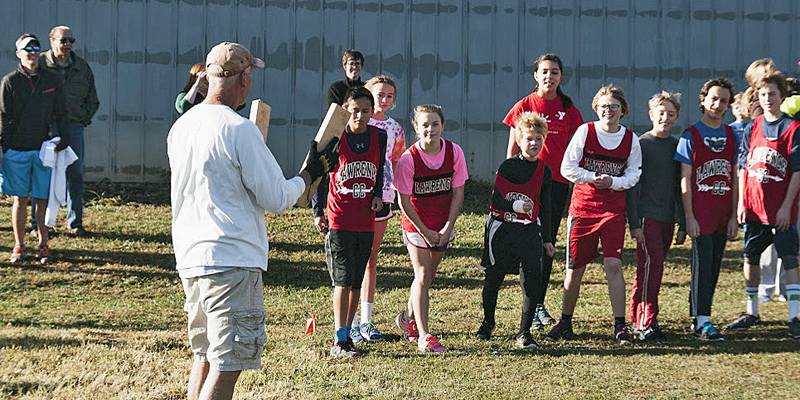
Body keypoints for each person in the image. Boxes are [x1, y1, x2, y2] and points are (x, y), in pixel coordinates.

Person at [168, 42, 338, 399]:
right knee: (227, 364)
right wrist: (310, 174)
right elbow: (276, 197)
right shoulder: (239, 130)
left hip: (191, 259)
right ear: (244, 78)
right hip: (231, 259)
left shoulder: (181, 127)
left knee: (204, 355)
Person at [546, 84, 641, 345]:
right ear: (596, 109)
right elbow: (567, 167)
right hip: (583, 208)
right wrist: (592, 177)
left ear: (623, 110)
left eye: (614, 106)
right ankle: (565, 321)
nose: (608, 111)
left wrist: (613, 182)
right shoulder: (584, 131)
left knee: (613, 265)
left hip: (613, 211)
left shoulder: (631, 140)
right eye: (603, 106)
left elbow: (634, 174)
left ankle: (620, 325)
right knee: (575, 268)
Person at [503, 53, 583, 329]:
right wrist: (510, 181)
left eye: (555, 72)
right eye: (545, 72)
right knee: (527, 243)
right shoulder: (525, 105)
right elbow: (512, 148)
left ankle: (538, 304)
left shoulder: (568, 108)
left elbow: (577, 147)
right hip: (527, 185)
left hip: (556, 185)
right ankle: (528, 302)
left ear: (562, 77)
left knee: (547, 243)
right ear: (536, 75)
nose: (550, 76)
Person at [727, 71, 800, 339]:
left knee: (790, 259)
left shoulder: (793, 129)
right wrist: (741, 202)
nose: (767, 98)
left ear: (782, 97)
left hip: (780, 210)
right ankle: (752, 311)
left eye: (772, 94)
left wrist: (786, 206)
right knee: (751, 257)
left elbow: (797, 173)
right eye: (763, 94)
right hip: (755, 208)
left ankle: (794, 316)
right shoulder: (752, 127)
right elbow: (743, 167)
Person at [477, 111, 555, 349]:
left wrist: (548, 239)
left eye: (538, 139)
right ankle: (488, 322)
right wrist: (517, 205)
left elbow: (547, 208)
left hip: (528, 231)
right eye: (529, 139)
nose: (534, 144)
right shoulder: (508, 166)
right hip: (502, 230)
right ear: (519, 140)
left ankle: (524, 332)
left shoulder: (545, 171)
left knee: (532, 280)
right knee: (493, 278)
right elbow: (497, 200)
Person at [318, 86, 386, 357]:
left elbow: (379, 169)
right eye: (355, 110)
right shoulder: (335, 137)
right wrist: (317, 212)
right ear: (346, 110)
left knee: (356, 281)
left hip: (365, 219)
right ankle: (339, 339)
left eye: (365, 111)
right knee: (343, 281)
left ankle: (348, 335)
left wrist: (379, 195)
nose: (360, 116)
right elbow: (321, 175)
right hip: (339, 217)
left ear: (372, 112)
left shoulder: (379, 137)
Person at [394, 104, 467, 352]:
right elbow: (403, 201)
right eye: (425, 124)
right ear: (416, 128)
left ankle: (406, 317)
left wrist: (448, 227)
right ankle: (424, 335)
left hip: (442, 224)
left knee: (425, 278)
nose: (430, 129)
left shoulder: (454, 152)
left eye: (435, 124)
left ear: (443, 126)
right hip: (416, 224)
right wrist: (424, 231)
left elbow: (458, 193)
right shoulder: (408, 159)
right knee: (423, 274)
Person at [673, 78, 738, 341]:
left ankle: (699, 315)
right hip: (700, 212)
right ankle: (702, 320)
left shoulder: (732, 135)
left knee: (714, 265)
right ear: (703, 100)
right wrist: (688, 217)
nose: (718, 104)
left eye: (723, 100)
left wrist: (734, 215)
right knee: (702, 264)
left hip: (723, 212)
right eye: (713, 98)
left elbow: (734, 177)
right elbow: (684, 179)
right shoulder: (691, 134)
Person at [0, 33, 70, 264]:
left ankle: (43, 245)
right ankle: (19, 246)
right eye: (27, 48)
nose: (32, 52)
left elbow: (61, 112)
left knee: (42, 199)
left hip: (44, 151)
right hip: (17, 151)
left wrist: (63, 137)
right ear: (18, 53)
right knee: (20, 199)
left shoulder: (52, 80)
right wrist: (6, 147)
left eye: (36, 48)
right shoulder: (10, 81)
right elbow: (3, 117)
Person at [626, 91, 686, 341]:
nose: (665, 117)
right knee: (654, 267)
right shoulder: (641, 144)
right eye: (661, 113)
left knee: (648, 269)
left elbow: (679, 187)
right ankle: (646, 321)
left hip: (667, 218)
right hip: (646, 217)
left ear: (677, 117)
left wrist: (682, 222)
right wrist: (633, 221)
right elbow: (633, 186)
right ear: (651, 114)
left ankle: (636, 313)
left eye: (671, 114)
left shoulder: (677, 146)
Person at [348, 75, 405, 343]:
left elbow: (395, 160)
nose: (383, 100)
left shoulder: (395, 128)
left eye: (389, 96)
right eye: (379, 95)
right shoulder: (358, 120)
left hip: (382, 195)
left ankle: (367, 322)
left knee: (371, 258)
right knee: (353, 259)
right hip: (354, 193)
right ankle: (349, 320)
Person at [36, 26, 98, 237]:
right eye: (63, 40)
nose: (68, 44)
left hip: (74, 127)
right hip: (46, 128)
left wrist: (83, 117)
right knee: (45, 175)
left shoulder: (81, 67)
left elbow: (92, 97)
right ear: (52, 41)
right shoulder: (41, 65)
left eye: (71, 40)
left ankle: (75, 222)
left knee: (75, 174)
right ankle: (42, 225)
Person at [313, 50, 367, 228]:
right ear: (345, 67)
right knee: (323, 167)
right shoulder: (335, 88)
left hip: (358, 134)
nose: (355, 67)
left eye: (358, 64)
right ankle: (318, 210)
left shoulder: (367, 87)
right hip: (338, 133)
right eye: (351, 64)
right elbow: (336, 112)